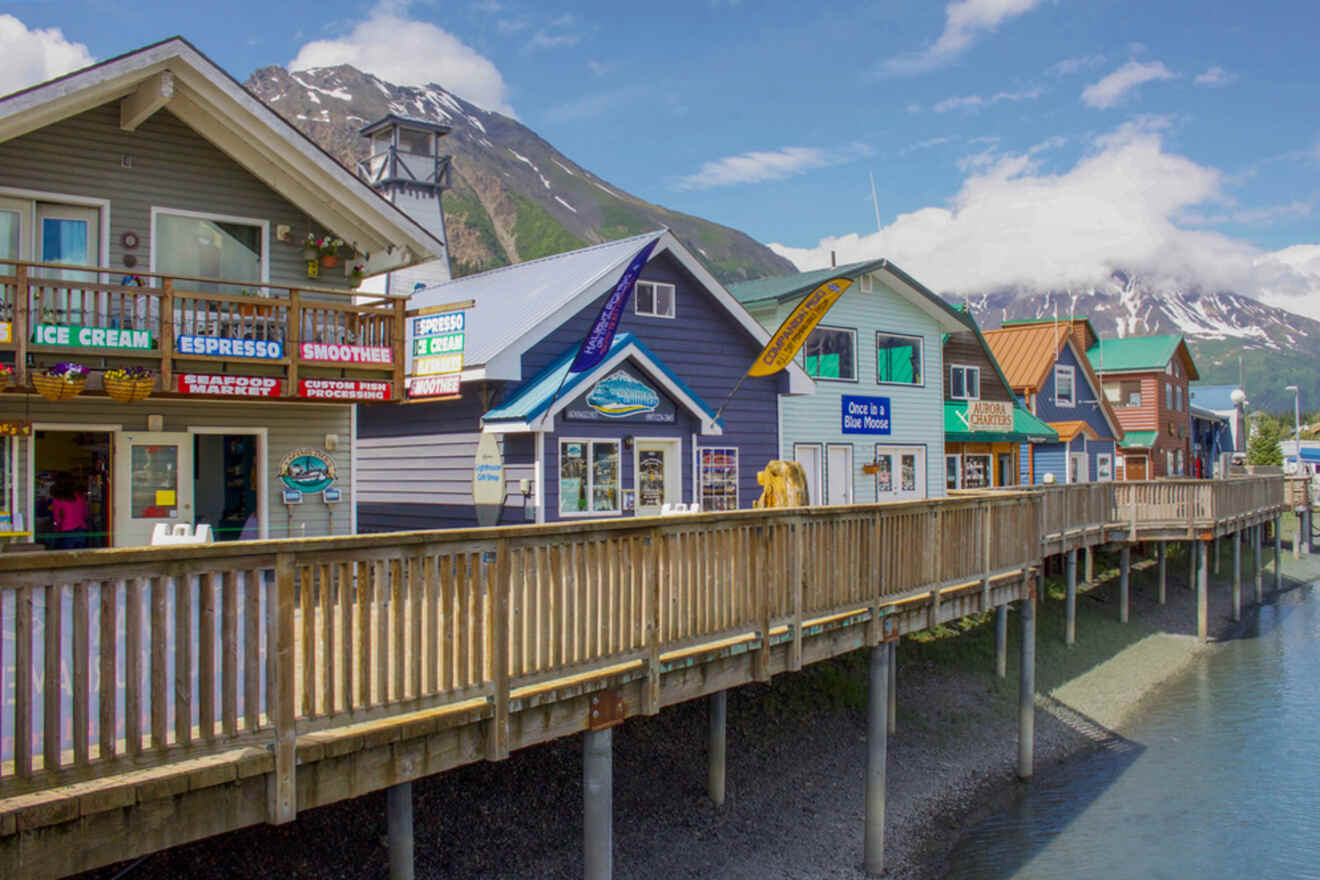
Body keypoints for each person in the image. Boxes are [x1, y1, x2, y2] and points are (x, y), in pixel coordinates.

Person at [50, 474, 90, 550]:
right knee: (81, 556)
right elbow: (85, 514)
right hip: (81, 530)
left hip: (66, 530)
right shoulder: (80, 497)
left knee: (66, 557)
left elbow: (56, 519)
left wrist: (55, 529)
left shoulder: (58, 498)